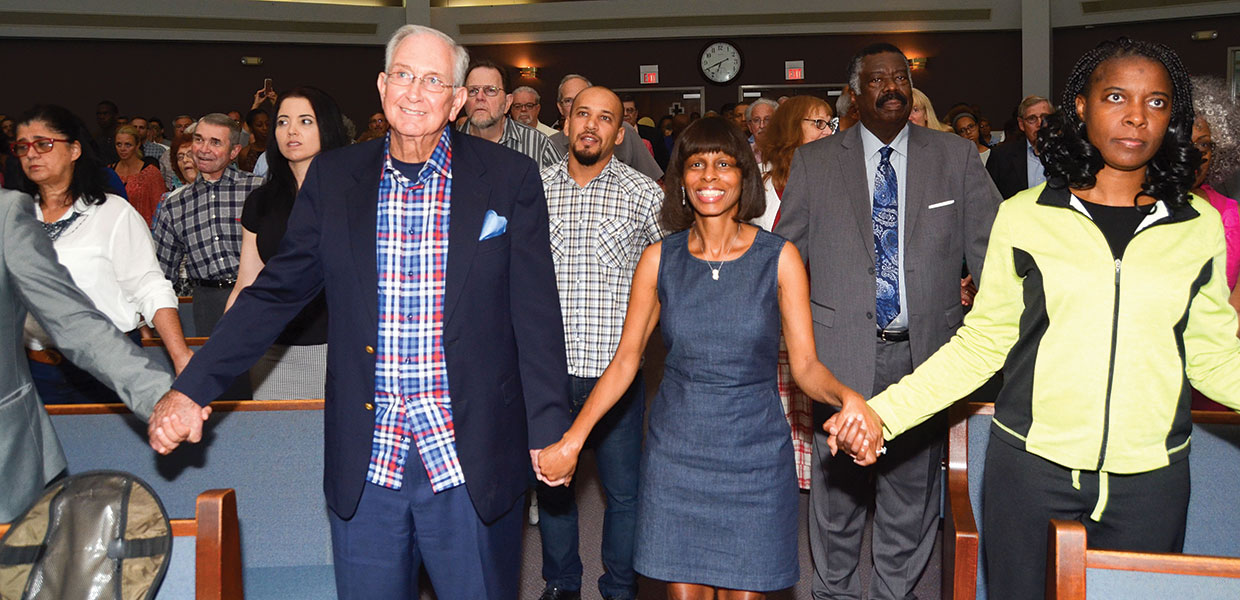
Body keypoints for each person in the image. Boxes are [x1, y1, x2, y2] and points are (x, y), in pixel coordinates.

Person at [146, 24, 572, 600]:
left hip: (471, 455)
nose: (414, 92)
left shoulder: (508, 177)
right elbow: (274, 294)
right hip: (369, 459)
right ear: (381, 85)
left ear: (454, 102)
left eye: (432, 80)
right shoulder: (336, 177)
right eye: (403, 75)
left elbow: (536, 314)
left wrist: (549, 429)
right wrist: (193, 387)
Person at [828, 37, 1240, 600]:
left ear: (1174, 116)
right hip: (1031, 470)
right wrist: (882, 414)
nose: (1136, 116)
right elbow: (983, 344)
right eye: (1116, 96)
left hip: (1152, 477)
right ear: (1081, 106)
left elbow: (1214, 355)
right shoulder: (1026, 217)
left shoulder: (1197, 225)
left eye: (1157, 102)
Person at [538, 116, 866, 600]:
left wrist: (847, 396)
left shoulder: (780, 258)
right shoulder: (658, 259)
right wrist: (573, 438)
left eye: (724, 164)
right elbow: (626, 361)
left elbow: (806, 368)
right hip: (677, 455)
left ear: (743, 176)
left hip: (753, 454)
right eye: (696, 164)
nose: (710, 176)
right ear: (681, 181)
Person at [773, 42, 1000, 600]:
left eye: (900, 77)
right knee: (839, 491)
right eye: (877, 80)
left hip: (924, 354)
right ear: (854, 95)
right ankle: (834, 591)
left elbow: (997, 250)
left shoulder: (955, 157)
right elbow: (785, 258)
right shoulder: (816, 161)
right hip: (838, 353)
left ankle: (893, 592)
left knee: (910, 490)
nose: (892, 87)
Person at [534, 86, 665, 600]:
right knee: (551, 487)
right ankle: (561, 585)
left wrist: (641, 342)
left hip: (616, 374)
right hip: (546, 372)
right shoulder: (534, 189)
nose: (591, 125)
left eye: (604, 118)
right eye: (582, 114)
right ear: (566, 121)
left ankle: (619, 588)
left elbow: (666, 283)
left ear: (620, 131)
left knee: (624, 495)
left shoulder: (643, 194)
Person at [0, 187, 175, 522]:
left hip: (8, 458)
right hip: (41, 371)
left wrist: (162, 397)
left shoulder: (7, 214)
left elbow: (71, 320)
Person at [11, 105, 192, 405]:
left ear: (74, 150)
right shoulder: (12, 219)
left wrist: (181, 355)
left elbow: (150, 287)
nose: (31, 154)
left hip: (109, 367)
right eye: (22, 146)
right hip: (33, 372)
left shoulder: (112, 213)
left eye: (44, 144)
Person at [222, 87, 347, 401]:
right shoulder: (261, 202)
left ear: (327, 128)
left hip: (340, 349)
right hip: (270, 352)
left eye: (305, 121)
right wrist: (222, 348)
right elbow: (246, 283)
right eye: (282, 122)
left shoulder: (354, 198)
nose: (291, 130)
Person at [751, 95, 833, 491]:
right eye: (817, 123)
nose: (827, 131)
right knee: (775, 394)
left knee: (813, 390)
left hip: (820, 305)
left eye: (830, 123)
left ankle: (812, 479)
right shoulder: (759, 177)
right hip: (768, 305)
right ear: (790, 126)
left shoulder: (836, 174)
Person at [152, 113, 265, 336]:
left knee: (264, 370)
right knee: (218, 370)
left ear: (233, 152)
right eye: (199, 139)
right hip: (207, 303)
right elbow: (161, 273)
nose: (204, 149)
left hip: (259, 295)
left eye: (215, 142)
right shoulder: (174, 204)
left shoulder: (258, 190)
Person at [550, 75, 663, 181]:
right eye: (569, 101)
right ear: (560, 108)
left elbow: (653, 181)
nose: (577, 104)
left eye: (582, 96)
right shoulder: (551, 144)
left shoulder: (625, 132)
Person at [458, 59, 563, 170]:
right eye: (473, 91)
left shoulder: (539, 144)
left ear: (507, 102)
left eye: (490, 90)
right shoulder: (447, 145)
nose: (479, 97)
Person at [986, 94, 1054, 199]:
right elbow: (988, 198)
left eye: (1045, 117)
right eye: (1032, 119)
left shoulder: (1069, 154)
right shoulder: (1001, 157)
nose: (1040, 124)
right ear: (1021, 124)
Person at [110, 124, 166, 225]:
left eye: (128, 145)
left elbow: (159, 209)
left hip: (143, 230)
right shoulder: (109, 171)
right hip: (114, 228)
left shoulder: (151, 173)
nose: (122, 148)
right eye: (119, 144)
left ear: (137, 145)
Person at [236, 108, 270, 173]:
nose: (265, 128)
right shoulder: (245, 153)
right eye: (259, 125)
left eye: (267, 124)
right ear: (251, 128)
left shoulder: (278, 150)